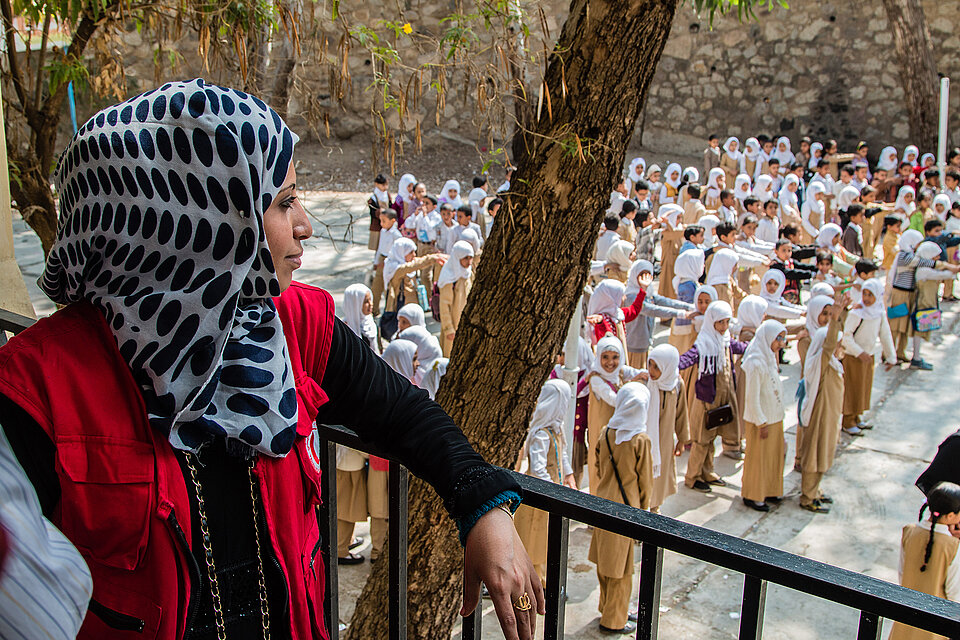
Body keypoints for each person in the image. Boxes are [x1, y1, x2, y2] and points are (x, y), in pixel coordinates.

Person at [0, 80, 542, 640]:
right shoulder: (38, 389)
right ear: (198, 223)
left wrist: (484, 505)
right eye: (283, 203)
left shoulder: (292, 323)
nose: (305, 224)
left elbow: (405, 414)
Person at [588, 383, 654, 636]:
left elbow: (597, 463)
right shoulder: (640, 439)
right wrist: (645, 508)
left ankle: (607, 607)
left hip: (602, 503)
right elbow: (644, 480)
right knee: (622, 569)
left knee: (605, 561)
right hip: (626, 509)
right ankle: (614, 620)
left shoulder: (607, 432)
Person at [679, 301, 748, 492]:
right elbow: (687, 359)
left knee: (711, 439)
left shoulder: (725, 341)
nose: (724, 327)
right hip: (706, 401)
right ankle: (692, 477)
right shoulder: (704, 343)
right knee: (701, 440)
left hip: (723, 399)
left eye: (727, 322)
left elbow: (742, 347)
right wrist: (667, 365)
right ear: (711, 322)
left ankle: (707, 472)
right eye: (720, 322)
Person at [514, 379, 576, 586]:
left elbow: (563, 454)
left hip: (551, 490)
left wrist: (568, 475)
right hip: (540, 494)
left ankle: (543, 582)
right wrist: (553, 488)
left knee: (546, 541)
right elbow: (539, 468)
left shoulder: (556, 429)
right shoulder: (541, 434)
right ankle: (535, 585)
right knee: (535, 541)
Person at [888, 481, 960, 640]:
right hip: (936, 622)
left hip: (906, 614)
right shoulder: (952, 546)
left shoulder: (909, 532)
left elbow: (902, 572)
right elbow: (954, 592)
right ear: (950, 516)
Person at [797, 294, 847, 513]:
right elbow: (827, 346)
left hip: (830, 414)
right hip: (820, 413)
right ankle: (808, 497)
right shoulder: (821, 361)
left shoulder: (832, 363)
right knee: (815, 453)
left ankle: (815, 490)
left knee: (824, 451)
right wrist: (835, 319)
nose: (838, 347)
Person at [887, 230, 959, 366]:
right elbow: (923, 263)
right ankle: (889, 354)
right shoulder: (905, 256)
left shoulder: (912, 256)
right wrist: (948, 267)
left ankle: (900, 353)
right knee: (896, 325)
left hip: (909, 294)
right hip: (900, 294)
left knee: (904, 325)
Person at [585, 336, 644, 496]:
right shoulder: (596, 379)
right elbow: (614, 399)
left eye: (615, 357)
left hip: (617, 435)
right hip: (602, 436)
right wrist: (635, 387)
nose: (610, 362)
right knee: (601, 470)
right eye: (605, 357)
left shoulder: (620, 372)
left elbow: (642, 373)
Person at [740, 319, 788, 512]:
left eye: (782, 339)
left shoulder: (769, 357)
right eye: (778, 339)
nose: (780, 344)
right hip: (761, 421)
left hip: (774, 417)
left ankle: (770, 490)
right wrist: (761, 422)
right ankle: (753, 495)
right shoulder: (755, 362)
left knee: (772, 457)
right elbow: (752, 398)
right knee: (758, 460)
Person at [841, 279, 895, 436]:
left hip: (868, 357)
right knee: (852, 389)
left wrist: (891, 357)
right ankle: (848, 420)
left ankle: (857, 417)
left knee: (863, 389)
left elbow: (885, 334)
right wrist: (859, 352)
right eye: (864, 293)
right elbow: (846, 337)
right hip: (853, 357)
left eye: (870, 295)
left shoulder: (879, 313)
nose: (866, 298)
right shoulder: (856, 313)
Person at [624, 260, 695, 368]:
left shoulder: (648, 292)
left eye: (647, 275)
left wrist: (689, 307)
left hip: (645, 343)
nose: (644, 279)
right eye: (641, 275)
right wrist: (682, 314)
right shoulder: (631, 296)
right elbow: (652, 310)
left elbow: (664, 301)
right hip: (635, 345)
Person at [645, 344, 689, 513]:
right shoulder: (645, 382)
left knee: (660, 474)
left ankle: (655, 507)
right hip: (646, 438)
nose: (652, 370)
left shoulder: (676, 384)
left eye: (657, 367)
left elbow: (681, 413)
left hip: (664, 441)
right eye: (650, 364)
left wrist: (682, 440)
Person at [437, 240, 475, 355]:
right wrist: (449, 329)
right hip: (453, 328)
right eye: (465, 258)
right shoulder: (449, 278)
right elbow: (444, 307)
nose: (469, 261)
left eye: (470, 258)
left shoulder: (468, 273)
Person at [373, 208, 402, 314]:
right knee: (376, 287)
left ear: (393, 221)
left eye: (384, 221)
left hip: (390, 263)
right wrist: (376, 262)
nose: (381, 224)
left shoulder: (396, 235)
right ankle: (374, 310)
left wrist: (386, 263)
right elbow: (380, 247)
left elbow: (397, 253)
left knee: (388, 289)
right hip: (381, 259)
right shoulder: (383, 231)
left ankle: (389, 311)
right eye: (380, 221)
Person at [342, 283, 380, 353]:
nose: (371, 304)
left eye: (370, 299)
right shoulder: (345, 329)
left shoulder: (370, 321)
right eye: (366, 301)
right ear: (355, 304)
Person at [368, 173, 390, 251]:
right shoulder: (373, 198)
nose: (385, 187)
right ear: (376, 184)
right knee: (377, 246)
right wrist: (380, 212)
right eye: (383, 185)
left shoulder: (387, 195)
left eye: (386, 185)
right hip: (377, 224)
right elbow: (372, 213)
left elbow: (390, 205)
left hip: (387, 223)